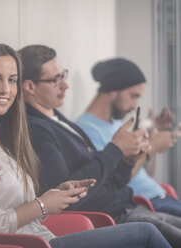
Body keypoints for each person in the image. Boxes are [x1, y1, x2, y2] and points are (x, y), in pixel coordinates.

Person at [0, 43, 171, 248]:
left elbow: (19, 206)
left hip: (44, 237)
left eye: (12, 80)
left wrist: (57, 193)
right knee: (146, 233)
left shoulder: (1, 138)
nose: (5, 90)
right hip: (31, 245)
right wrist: (42, 204)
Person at [19, 44, 181, 247]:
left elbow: (111, 181)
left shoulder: (58, 120)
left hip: (128, 208)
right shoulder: (36, 129)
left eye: (63, 75)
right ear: (29, 87)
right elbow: (63, 192)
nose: (65, 85)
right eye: (55, 80)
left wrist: (126, 161)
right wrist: (116, 150)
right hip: (111, 217)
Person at [76, 58, 181, 217]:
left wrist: (152, 136)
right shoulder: (86, 130)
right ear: (112, 90)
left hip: (160, 196)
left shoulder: (116, 125)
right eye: (133, 96)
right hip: (145, 203)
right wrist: (151, 147)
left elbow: (147, 173)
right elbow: (112, 183)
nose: (134, 105)